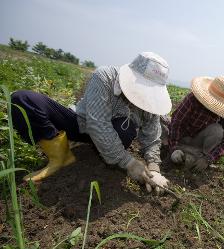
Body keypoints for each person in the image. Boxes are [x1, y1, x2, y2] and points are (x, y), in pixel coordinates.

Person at [11, 52, 171, 194]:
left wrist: (154, 169)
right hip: (80, 124)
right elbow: (97, 124)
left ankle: (98, 149)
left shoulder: (150, 105)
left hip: (114, 135)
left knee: (125, 130)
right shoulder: (105, 77)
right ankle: (60, 156)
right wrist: (129, 162)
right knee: (23, 100)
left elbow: (152, 139)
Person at [168, 76, 224, 171]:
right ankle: (183, 151)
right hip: (183, 138)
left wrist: (208, 159)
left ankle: (196, 156)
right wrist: (174, 148)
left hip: (200, 145)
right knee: (164, 131)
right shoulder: (193, 99)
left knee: (217, 131)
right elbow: (176, 122)